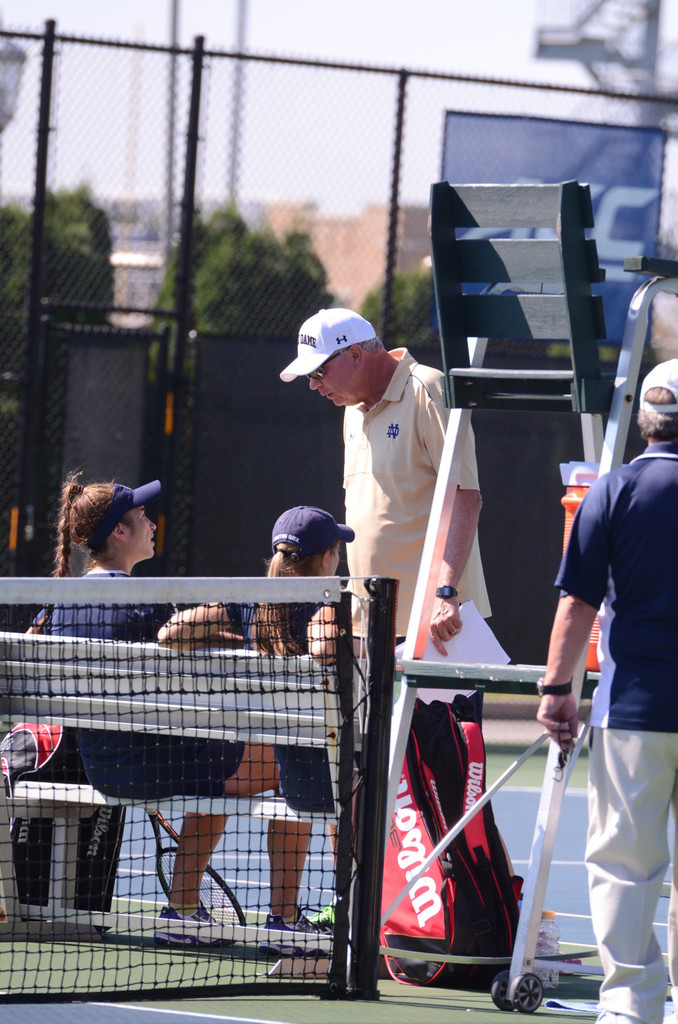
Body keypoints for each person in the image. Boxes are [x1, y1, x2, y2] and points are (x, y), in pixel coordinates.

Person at [42, 474, 289, 949]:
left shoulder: (58, 604)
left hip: (101, 767)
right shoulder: (144, 603)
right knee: (289, 765)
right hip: (154, 764)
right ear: (119, 531)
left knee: (222, 761)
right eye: (142, 517)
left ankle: (185, 909)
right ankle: (282, 922)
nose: (152, 524)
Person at [536, 359, 678, 1024]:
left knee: (624, 863)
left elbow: (576, 606)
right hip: (638, 708)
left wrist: (556, 689)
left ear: (646, 421)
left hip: (634, 711)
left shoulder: (612, 490)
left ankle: (628, 1005)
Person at [158, 504, 355, 947]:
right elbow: (324, 651)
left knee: (278, 775)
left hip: (223, 760)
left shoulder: (246, 600)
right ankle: (286, 919)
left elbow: (170, 633)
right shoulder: (325, 607)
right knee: (304, 779)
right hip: (282, 763)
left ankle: (181, 908)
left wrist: (233, 639)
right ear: (326, 559)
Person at [279, 307, 490, 655]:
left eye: (318, 371)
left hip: (439, 627)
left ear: (356, 355)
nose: (314, 385)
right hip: (374, 626)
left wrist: (446, 592)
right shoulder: (350, 409)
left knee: (449, 713)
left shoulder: (428, 389)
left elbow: (466, 497)